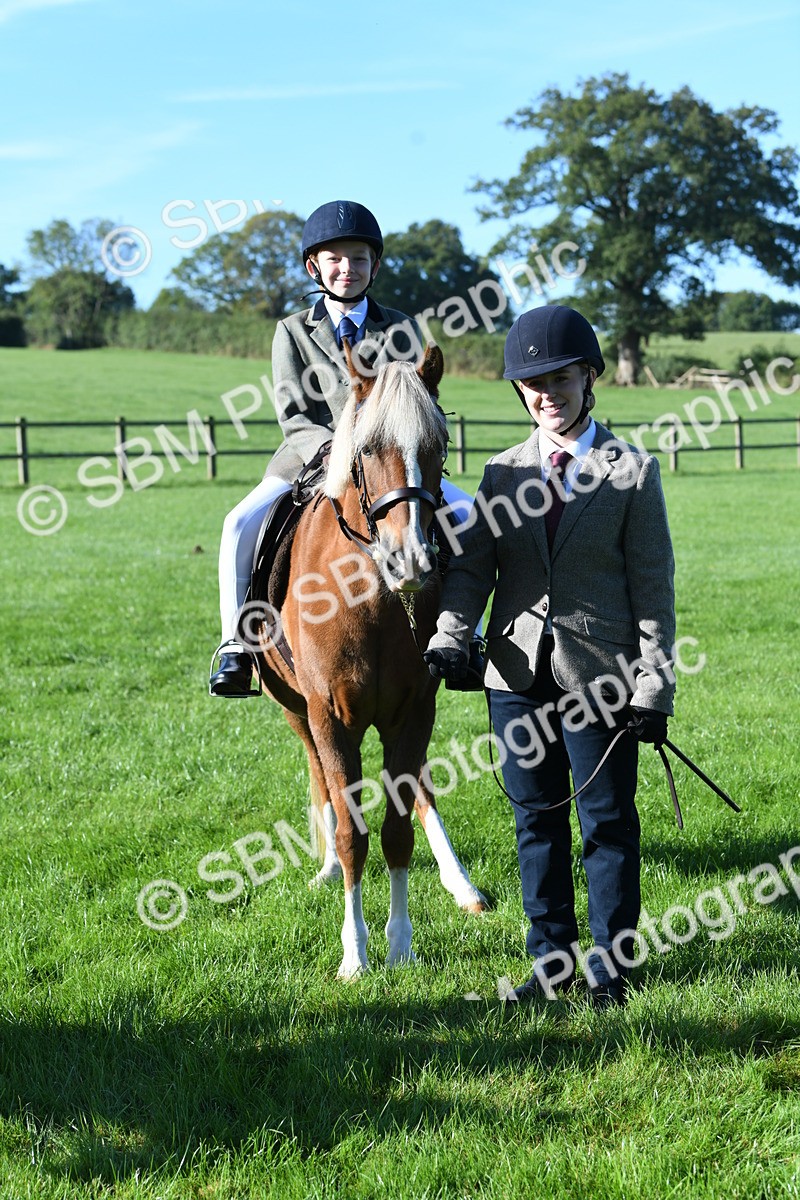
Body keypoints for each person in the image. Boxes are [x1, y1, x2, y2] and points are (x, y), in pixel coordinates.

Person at [423, 305, 676, 1008]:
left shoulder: (632, 471)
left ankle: (611, 966)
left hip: (603, 678)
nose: (546, 394)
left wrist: (654, 686)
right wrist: (450, 633)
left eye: (559, 379)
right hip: (515, 671)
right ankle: (551, 962)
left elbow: (652, 587)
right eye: (533, 384)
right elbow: (474, 571)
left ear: (588, 378)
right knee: (534, 821)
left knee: (606, 824)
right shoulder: (502, 474)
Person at [209, 199, 482, 696]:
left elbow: (415, 399)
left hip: (389, 464)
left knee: (471, 515)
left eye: (357, 258)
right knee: (238, 523)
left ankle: (468, 637)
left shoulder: (401, 327)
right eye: (335, 259)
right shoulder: (291, 331)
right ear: (315, 266)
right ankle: (234, 643)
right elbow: (294, 415)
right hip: (307, 459)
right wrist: (340, 453)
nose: (347, 268)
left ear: (373, 266)